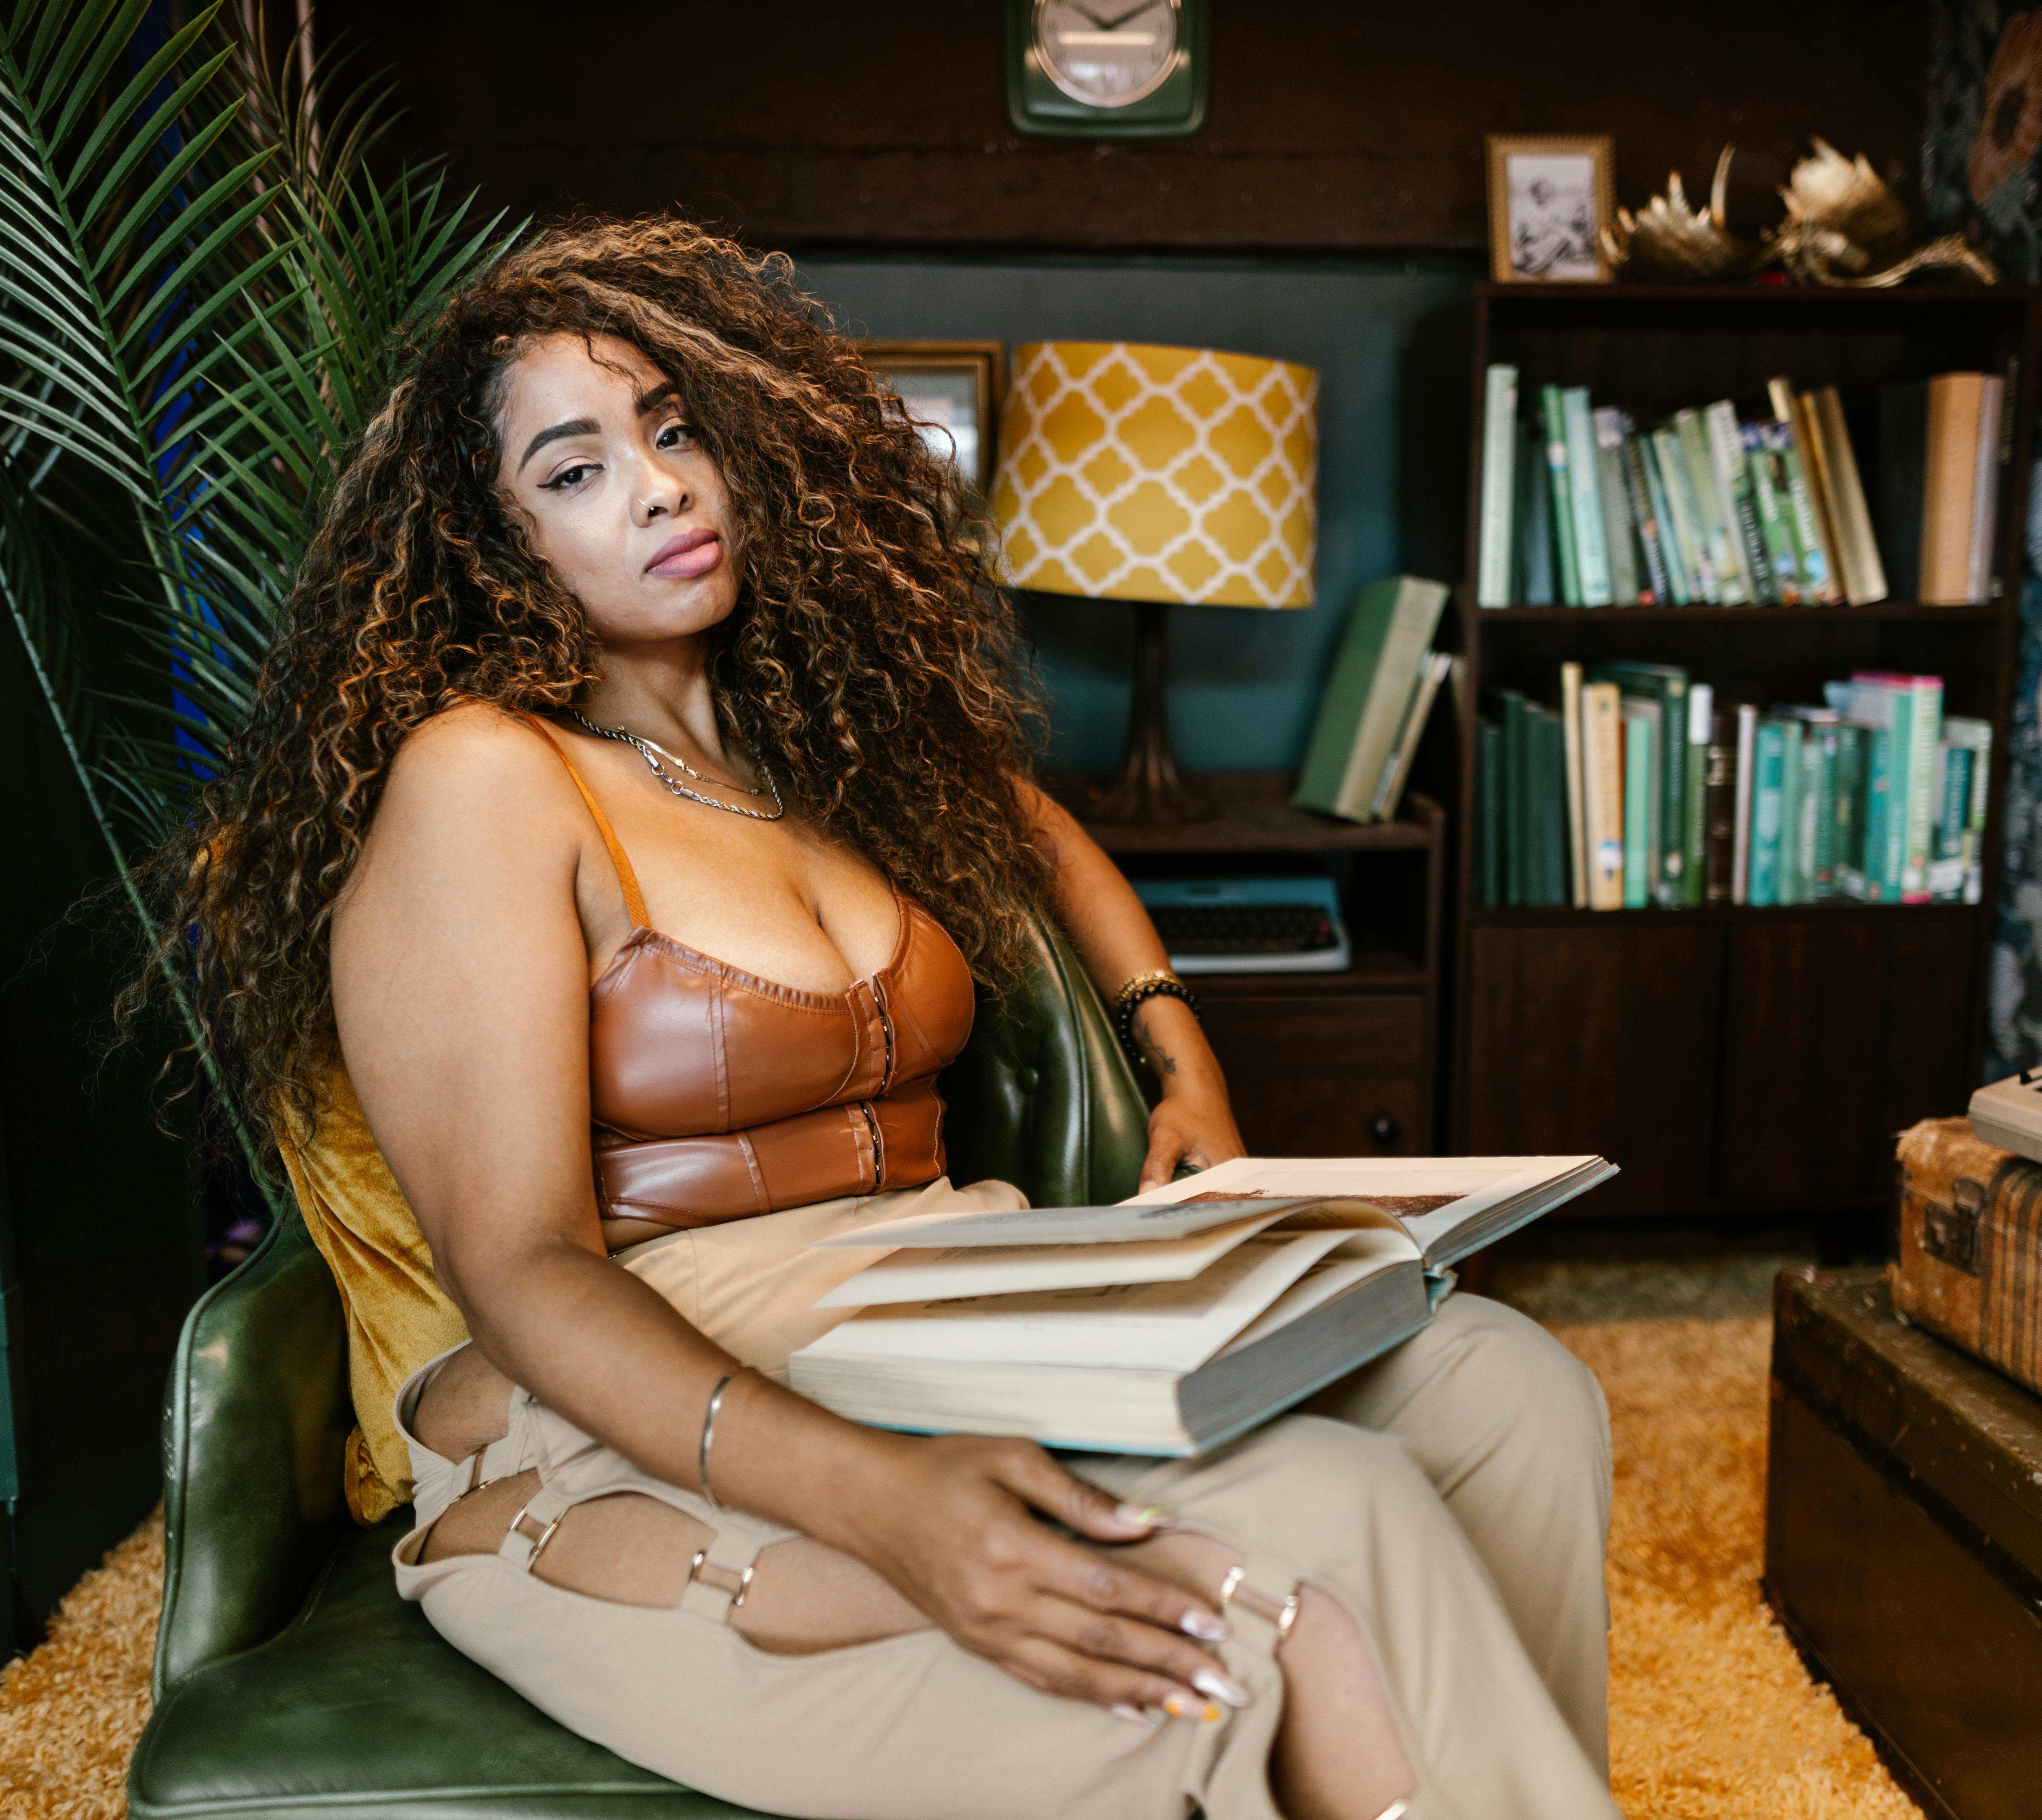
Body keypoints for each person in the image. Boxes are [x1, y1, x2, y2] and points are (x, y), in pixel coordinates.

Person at [157, 217, 1621, 1820]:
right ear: (495, 545)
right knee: (1331, 1507)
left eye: (671, 425)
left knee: (1510, 1388)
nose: (656, 485)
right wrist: (886, 1499)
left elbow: (1041, 830)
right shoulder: (489, 776)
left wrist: (1178, 1047)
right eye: (572, 471)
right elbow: (518, 1268)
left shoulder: (813, 759)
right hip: (659, 1361)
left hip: (955, 1279)